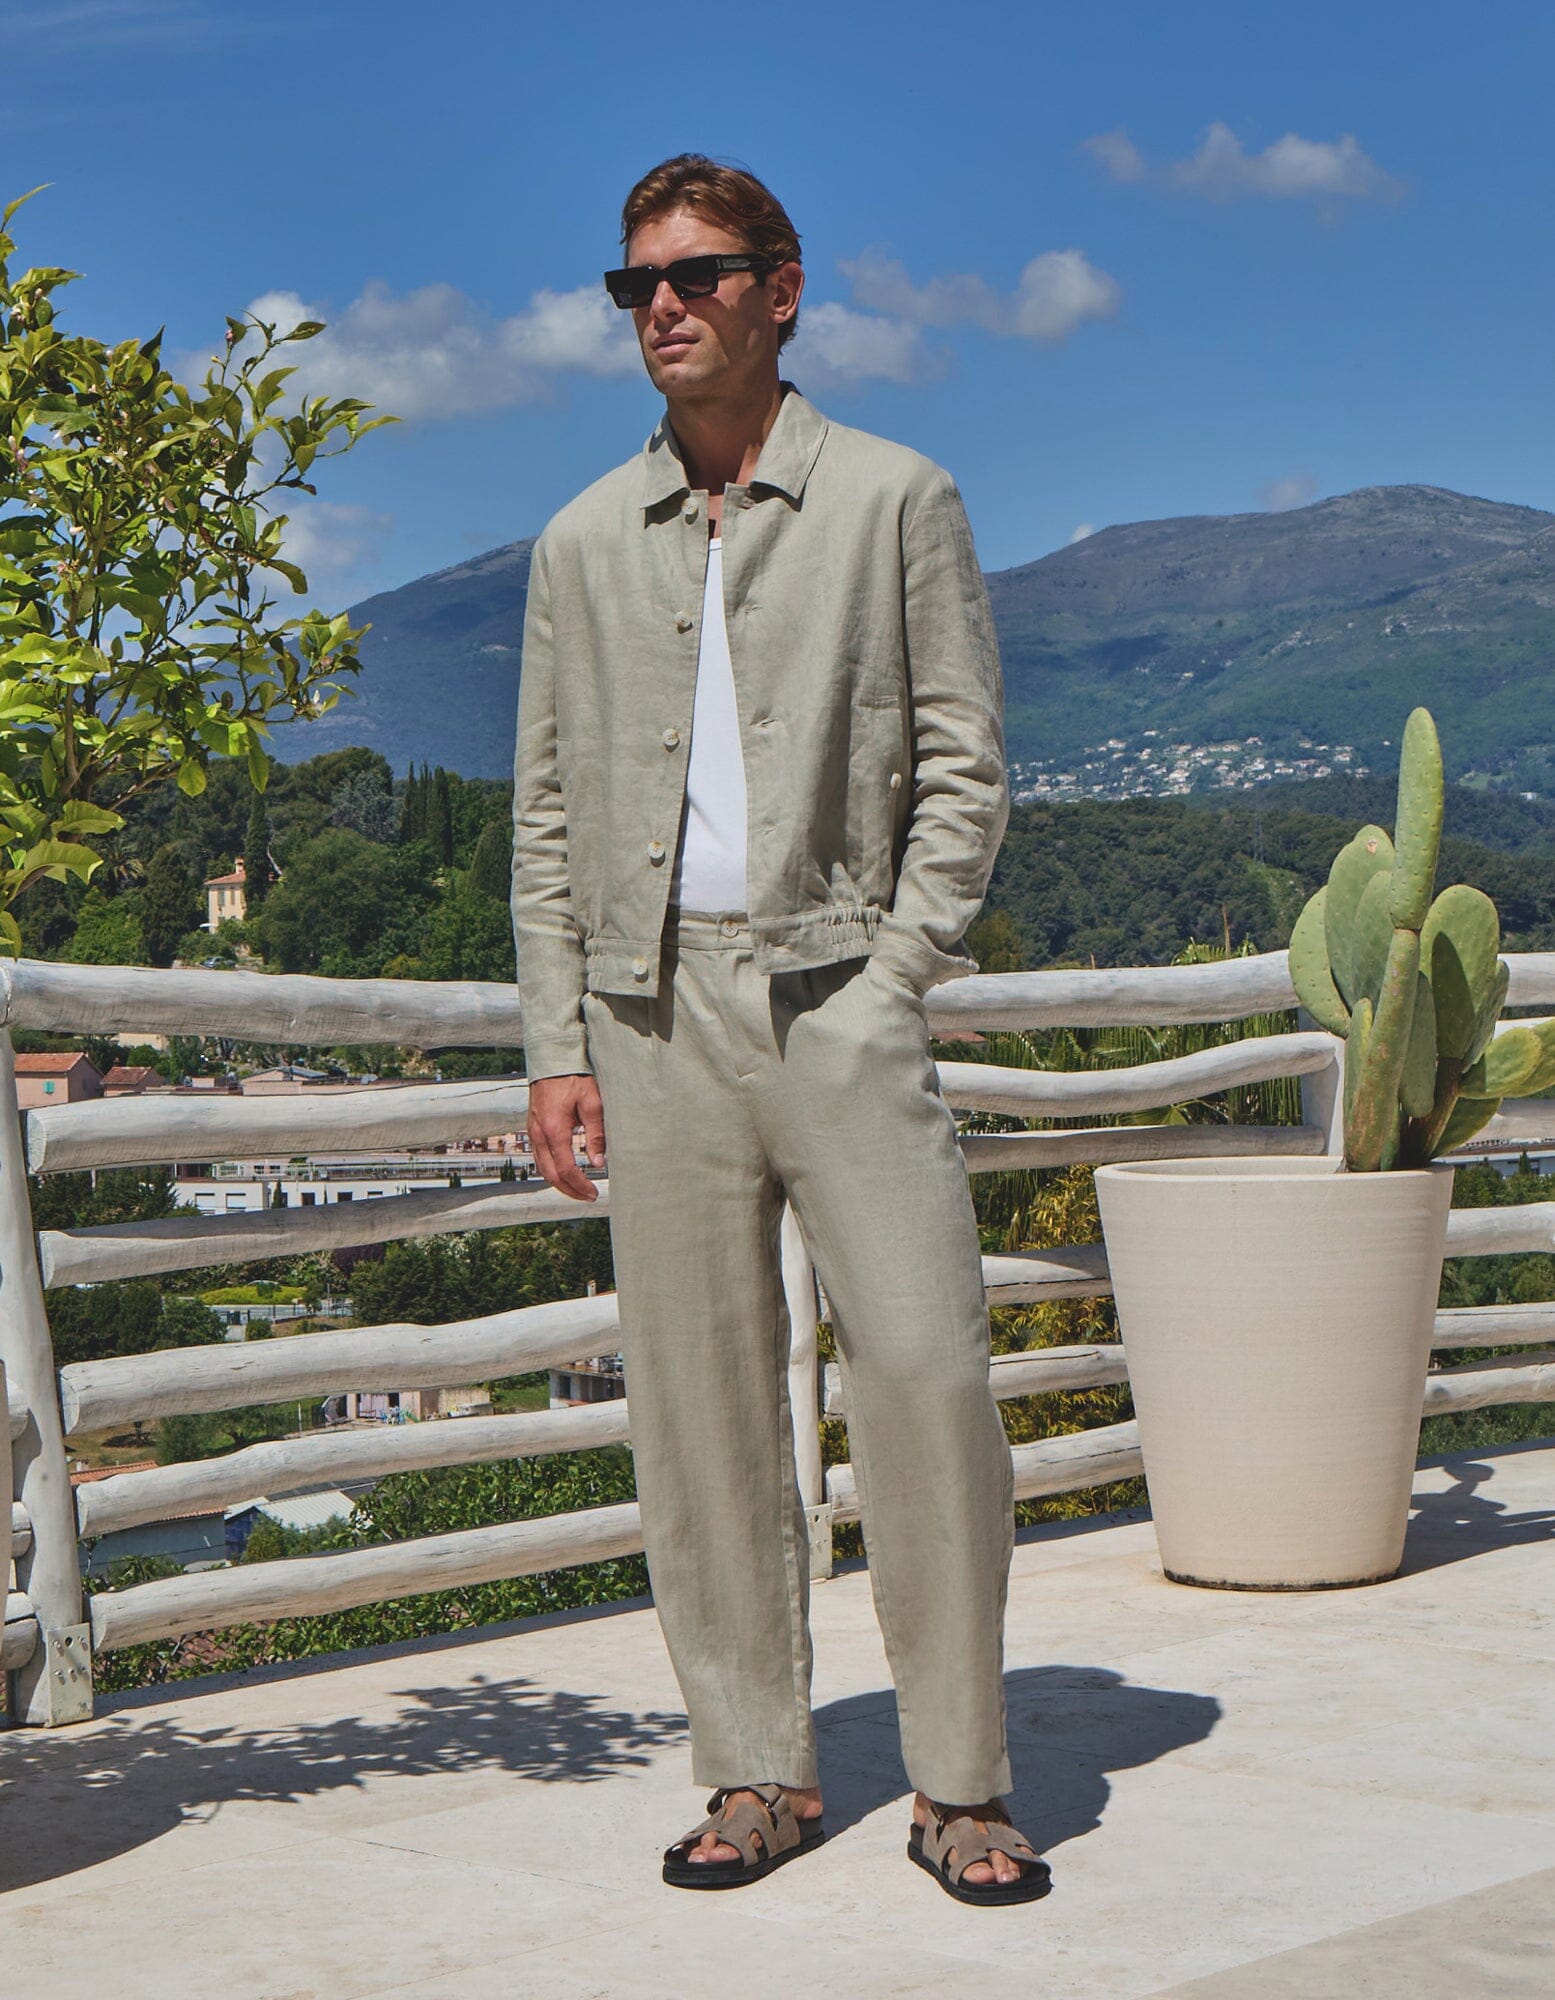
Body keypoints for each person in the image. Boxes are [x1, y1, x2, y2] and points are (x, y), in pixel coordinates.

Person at [512, 152, 1047, 1906]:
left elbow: (965, 763)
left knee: (928, 1376)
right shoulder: (581, 543)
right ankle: (755, 1770)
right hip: (647, 1011)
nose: (662, 306)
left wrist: (899, 970)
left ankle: (962, 1780)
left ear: (783, 289)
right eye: (636, 284)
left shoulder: (897, 498)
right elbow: (541, 816)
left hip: (842, 998)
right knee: (701, 1408)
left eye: (698, 273)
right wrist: (557, 1041)